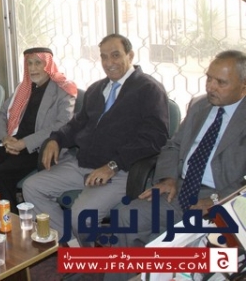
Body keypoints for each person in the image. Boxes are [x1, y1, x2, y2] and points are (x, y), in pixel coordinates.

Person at [103, 50, 246, 281]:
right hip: (180, 188)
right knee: (124, 217)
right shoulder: (200, 106)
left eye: (221, 82)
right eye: (209, 78)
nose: (211, 87)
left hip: (221, 200)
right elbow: (173, 145)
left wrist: (216, 201)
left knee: (168, 249)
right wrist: (168, 178)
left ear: (243, 86)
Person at [22, 34, 169, 245]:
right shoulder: (97, 89)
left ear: (130, 55)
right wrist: (56, 139)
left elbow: (155, 138)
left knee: (82, 216)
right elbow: (76, 124)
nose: (109, 63)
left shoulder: (149, 89)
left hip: (120, 170)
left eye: (115, 55)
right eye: (104, 57)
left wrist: (113, 165)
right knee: (32, 187)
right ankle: (72, 243)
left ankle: (86, 256)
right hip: (83, 163)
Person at [0, 47, 77, 209]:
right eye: (29, 63)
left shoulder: (64, 89)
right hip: (12, 143)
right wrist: (5, 138)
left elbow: (62, 125)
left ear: (48, 65)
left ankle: (9, 218)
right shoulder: (23, 88)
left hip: (38, 149)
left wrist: (24, 143)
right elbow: (0, 114)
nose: (33, 68)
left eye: (38, 63)